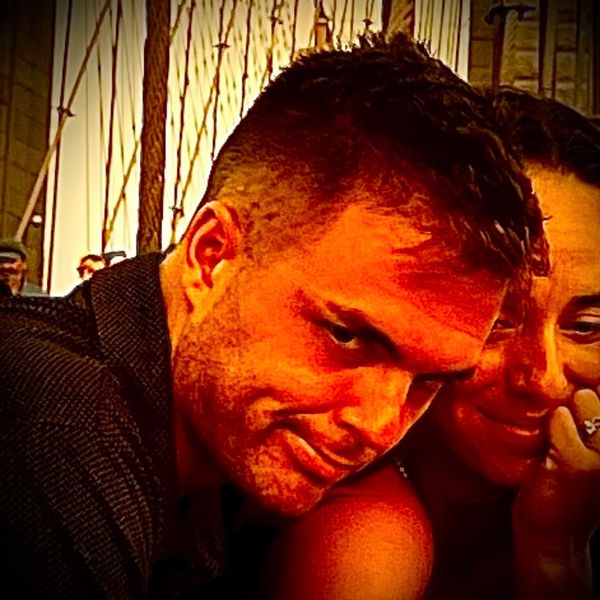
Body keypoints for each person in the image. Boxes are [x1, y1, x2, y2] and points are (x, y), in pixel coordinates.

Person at [0, 35, 545, 598]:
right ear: (212, 257)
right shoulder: (51, 431)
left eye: (427, 382)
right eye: (346, 336)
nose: (380, 426)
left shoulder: (211, 453)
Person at [267, 90, 599, 600]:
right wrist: (556, 554)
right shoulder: (367, 537)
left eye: (587, 326)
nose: (543, 379)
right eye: (497, 322)